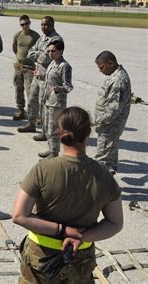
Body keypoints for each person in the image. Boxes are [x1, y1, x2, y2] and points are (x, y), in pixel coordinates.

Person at [12, 106, 123, 283]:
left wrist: (62, 230)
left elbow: (19, 215)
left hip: (40, 257)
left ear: (59, 132)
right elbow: (115, 222)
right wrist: (82, 237)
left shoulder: (43, 169)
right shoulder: (104, 176)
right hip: (79, 259)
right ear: (88, 133)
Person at [18, 16, 63, 133]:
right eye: (42, 25)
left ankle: (44, 131)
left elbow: (47, 57)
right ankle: (31, 123)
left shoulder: (56, 39)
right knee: (32, 100)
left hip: (47, 79)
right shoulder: (42, 38)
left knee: (44, 105)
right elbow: (29, 53)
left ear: (53, 25)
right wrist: (40, 53)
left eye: (47, 25)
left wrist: (39, 54)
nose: (44, 27)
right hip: (37, 75)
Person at [94, 51, 131, 175]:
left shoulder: (117, 80)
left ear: (111, 63)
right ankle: (110, 188)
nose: (100, 71)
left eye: (102, 67)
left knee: (101, 162)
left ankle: (101, 191)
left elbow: (113, 110)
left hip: (109, 127)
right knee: (109, 161)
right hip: (110, 127)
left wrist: (97, 122)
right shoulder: (116, 75)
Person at [37, 40, 73, 159]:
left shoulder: (65, 66)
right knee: (47, 127)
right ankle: (51, 149)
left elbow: (68, 86)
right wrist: (39, 75)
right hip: (48, 100)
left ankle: (54, 152)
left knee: (53, 128)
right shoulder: (52, 63)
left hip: (57, 103)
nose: (50, 53)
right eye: (49, 51)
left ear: (61, 51)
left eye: (53, 51)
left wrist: (59, 89)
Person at [11, 15, 40, 120]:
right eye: (22, 24)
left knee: (30, 91)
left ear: (30, 23)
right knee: (18, 88)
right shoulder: (17, 35)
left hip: (30, 66)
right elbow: (15, 48)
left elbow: (39, 51)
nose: (25, 26)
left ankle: (33, 114)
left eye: (26, 23)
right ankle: (20, 110)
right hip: (18, 65)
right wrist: (20, 58)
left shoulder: (35, 36)